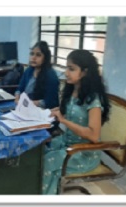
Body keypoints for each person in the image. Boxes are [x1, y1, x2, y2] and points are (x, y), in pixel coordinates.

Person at [42, 49, 111, 194]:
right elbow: (67, 112)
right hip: (67, 143)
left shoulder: (93, 100)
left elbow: (93, 135)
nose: (66, 72)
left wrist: (64, 121)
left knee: (47, 163)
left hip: (83, 153)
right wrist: (53, 113)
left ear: (85, 72)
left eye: (71, 69)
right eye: (66, 67)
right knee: (38, 151)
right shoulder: (72, 91)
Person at [14, 41, 59, 109]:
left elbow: (50, 102)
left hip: (43, 112)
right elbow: (20, 88)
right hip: (25, 108)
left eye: (38, 55)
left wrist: (30, 103)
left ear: (45, 58)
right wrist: (17, 97)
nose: (33, 58)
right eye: (32, 54)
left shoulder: (51, 76)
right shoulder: (29, 70)